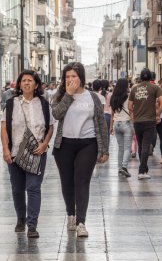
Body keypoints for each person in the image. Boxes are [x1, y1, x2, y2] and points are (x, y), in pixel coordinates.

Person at [51, 62, 109, 238]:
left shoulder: (93, 97)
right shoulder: (60, 95)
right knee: (67, 182)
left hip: (88, 144)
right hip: (65, 145)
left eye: (74, 76)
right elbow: (56, 114)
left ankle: (81, 222)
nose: (70, 80)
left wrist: (104, 149)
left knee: (82, 181)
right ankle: (71, 214)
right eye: (67, 77)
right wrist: (68, 95)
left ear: (81, 77)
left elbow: (101, 123)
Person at [1, 70, 54, 239]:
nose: (26, 83)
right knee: (17, 189)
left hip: (36, 153)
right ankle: (21, 218)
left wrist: (45, 144)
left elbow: (50, 126)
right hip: (15, 153)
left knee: (33, 188)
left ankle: (32, 225)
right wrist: (5, 149)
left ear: (36, 84)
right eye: (23, 80)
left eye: (30, 80)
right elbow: (3, 128)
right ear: (19, 84)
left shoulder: (44, 104)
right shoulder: (11, 104)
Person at [128, 68, 162, 179]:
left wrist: (133, 117)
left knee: (141, 146)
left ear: (140, 78)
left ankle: (144, 169)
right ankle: (141, 171)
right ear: (150, 77)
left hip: (138, 122)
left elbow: (130, 106)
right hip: (149, 121)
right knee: (145, 146)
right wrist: (157, 114)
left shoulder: (134, 89)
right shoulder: (155, 88)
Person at [109, 78, 133, 177]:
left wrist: (110, 126)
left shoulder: (113, 97)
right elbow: (131, 110)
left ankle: (120, 168)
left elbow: (112, 113)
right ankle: (124, 167)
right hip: (126, 123)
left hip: (116, 124)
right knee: (127, 148)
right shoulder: (128, 96)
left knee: (121, 148)